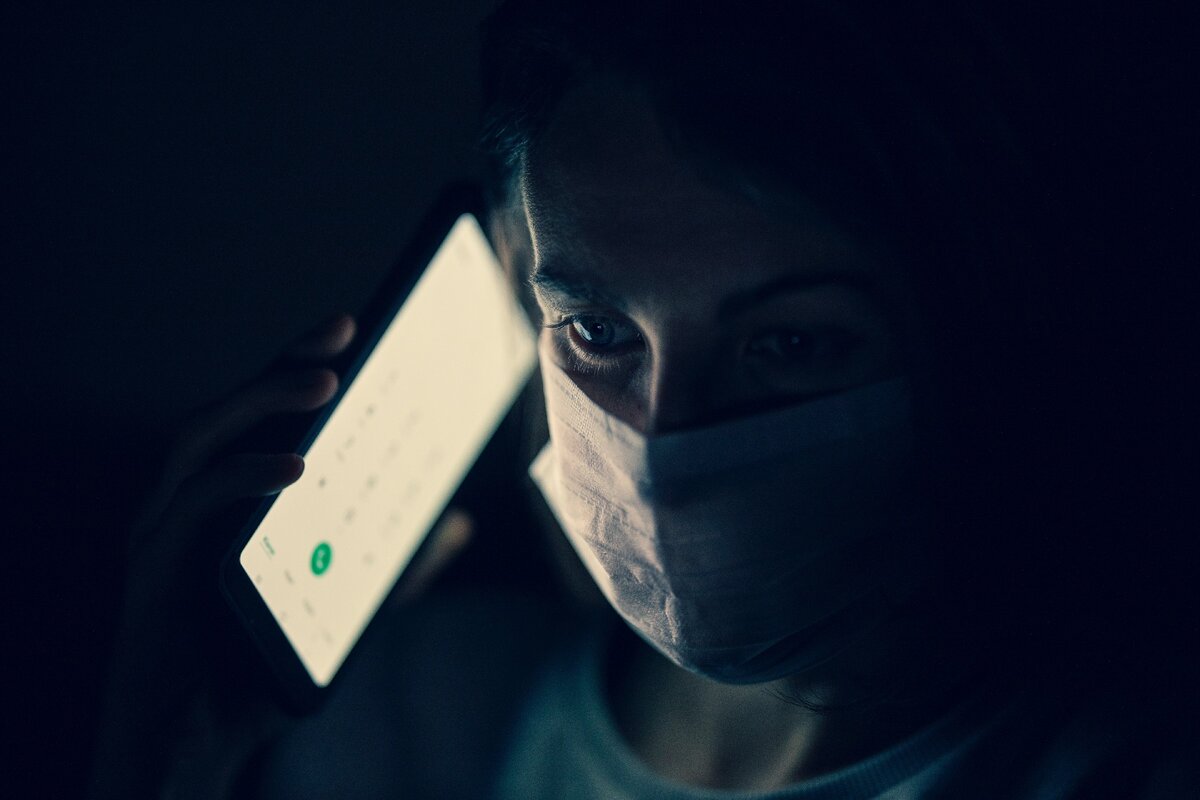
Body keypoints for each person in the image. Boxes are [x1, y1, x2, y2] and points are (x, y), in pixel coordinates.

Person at [87, 1, 1196, 798]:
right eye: (598, 331)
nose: (664, 438)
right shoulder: (405, 721)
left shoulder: (1122, 763)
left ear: (972, 327)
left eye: (790, 343)